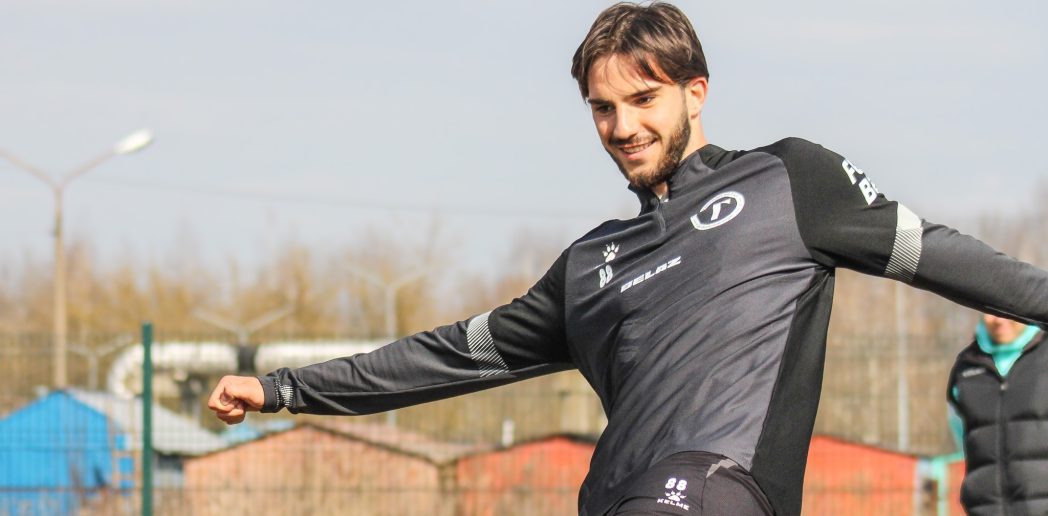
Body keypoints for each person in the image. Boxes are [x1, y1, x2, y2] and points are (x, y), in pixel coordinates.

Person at [209, 3, 1048, 515]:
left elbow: (941, 255)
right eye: (602, 108)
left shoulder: (791, 181)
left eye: (643, 99)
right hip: (611, 496)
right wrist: (284, 389)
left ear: (695, 92)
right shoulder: (588, 266)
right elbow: (447, 356)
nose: (623, 127)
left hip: (717, 489)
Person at [947, 314, 1047, 515]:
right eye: (990, 312)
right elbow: (960, 434)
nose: (999, 320)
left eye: (1006, 313)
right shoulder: (966, 366)